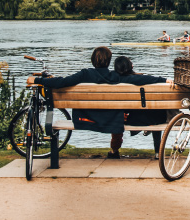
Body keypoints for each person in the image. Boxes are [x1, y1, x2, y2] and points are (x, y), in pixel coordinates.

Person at [27, 46, 169, 159]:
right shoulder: (116, 76)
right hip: (113, 119)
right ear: (109, 61)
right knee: (117, 112)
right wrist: (164, 80)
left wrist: (37, 80)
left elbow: (62, 82)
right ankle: (115, 151)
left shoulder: (85, 74)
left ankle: (114, 151)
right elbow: (140, 80)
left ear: (92, 60)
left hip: (88, 118)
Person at [114, 56, 169, 158]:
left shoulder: (114, 80)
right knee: (155, 111)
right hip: (153, 119)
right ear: (130, 66)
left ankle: (114, 151)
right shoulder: (137, 79)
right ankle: (158, 152)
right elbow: (154, 79)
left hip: (126, 119)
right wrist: (165, 80)